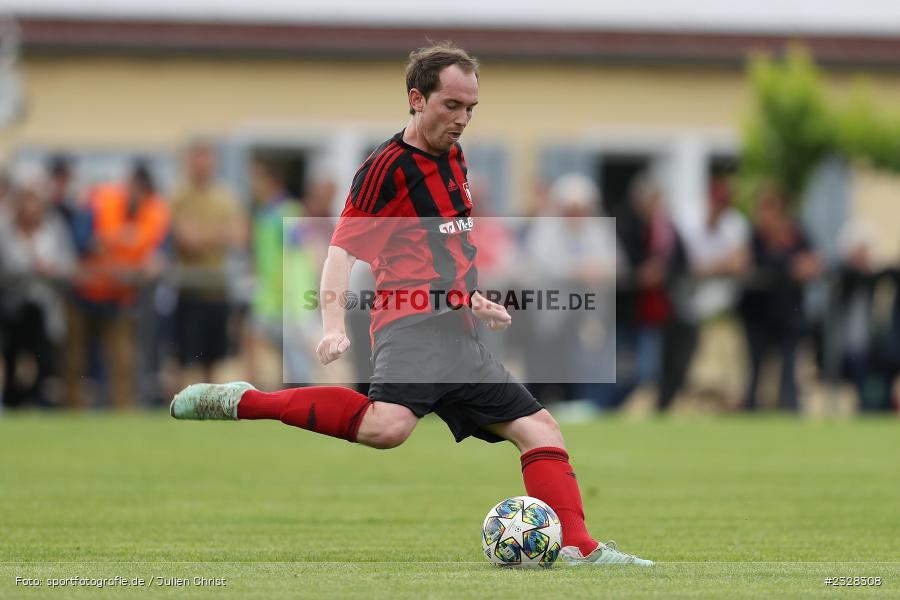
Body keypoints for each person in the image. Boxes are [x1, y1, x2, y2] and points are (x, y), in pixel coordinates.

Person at [171, 42, 652, 566]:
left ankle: (581, 549)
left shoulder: (456, 157)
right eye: (452, 105)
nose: (463, 118)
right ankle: (247, 402)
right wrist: (333, 324)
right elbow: (341, 250)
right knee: (388, 428)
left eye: (471, 108)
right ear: (416, 99)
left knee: (539, 428)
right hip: (410, 323)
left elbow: (447, 248)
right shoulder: (386, 169)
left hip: (458, 331)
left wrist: (474, 298)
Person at [63, 161, 170, 408]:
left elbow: (161, 250)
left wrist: (155, 260)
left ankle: (122, 412)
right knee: (74, 359)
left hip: (119, 296)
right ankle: (71, 411)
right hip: (85, 291)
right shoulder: (101, 201)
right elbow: (80, 240)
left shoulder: (155, 212)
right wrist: (109, 241)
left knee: (122, 360)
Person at [739, 184, 821, 411]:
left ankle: (790, 409)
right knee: (756, 365)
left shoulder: (796, 234)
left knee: (789, 365)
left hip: (788, 312)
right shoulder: (754, 236)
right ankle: (751, 410)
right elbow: (743, 264)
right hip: (757, 312)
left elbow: (812, 264)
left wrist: (797, 267)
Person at [170, 141, 244, 389]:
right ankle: (181, 404)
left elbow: (239, 235)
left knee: (215, 357)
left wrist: (203, 233)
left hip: (218, 289)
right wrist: (219, 234)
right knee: (184, 357)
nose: (203, 167)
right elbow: (185, 240)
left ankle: (209, 404)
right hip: (188, 289)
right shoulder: (178, 196)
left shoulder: (226, 196)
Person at [0, 167, 76, 407]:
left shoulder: (55, 228)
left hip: (45, 311)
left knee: (45, 367)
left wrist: (52, 271)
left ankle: (36, 404)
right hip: (12, 310)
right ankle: (13, 404)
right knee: (12, 363)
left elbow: (68, 265)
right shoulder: (5, 231)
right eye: (26, 199)